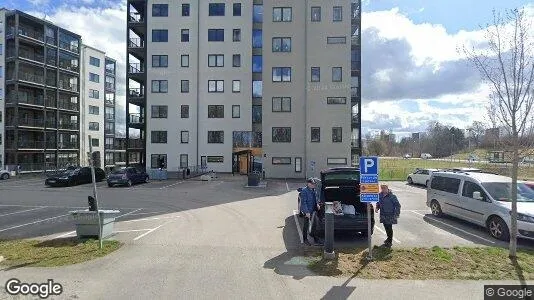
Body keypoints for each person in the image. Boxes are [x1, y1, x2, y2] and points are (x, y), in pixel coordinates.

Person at [300, 178, 321, 246]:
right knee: (306, 226)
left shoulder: (314, 190)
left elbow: (316, 198)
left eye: (314, 184)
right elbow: (304, 202)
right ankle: (305, 239)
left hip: (313, 210)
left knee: (315, 225)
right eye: (312, 184)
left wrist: (317, 203)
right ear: (308, 184)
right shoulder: (304, 191)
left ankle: (316, 239)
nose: (313, 185)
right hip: (307, 211)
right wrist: (306, 212)